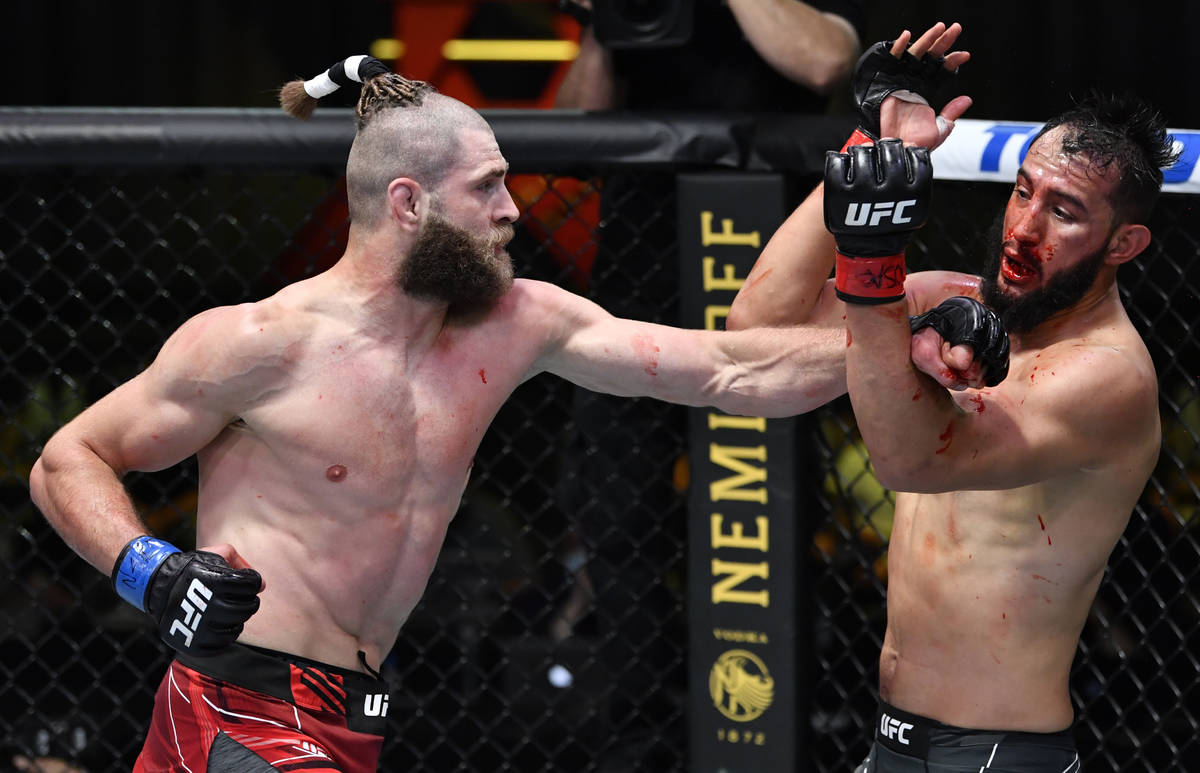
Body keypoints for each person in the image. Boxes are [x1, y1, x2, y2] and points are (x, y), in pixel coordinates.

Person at [26, 56, 988, 772]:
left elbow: (733, 371)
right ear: (408, 203)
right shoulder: (259, 342)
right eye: (486, 187)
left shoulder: (516, 322)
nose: (513, 209)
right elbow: (68, 457)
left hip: (348, 714)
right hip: (238, 705)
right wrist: (148, 569)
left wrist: (893, 334)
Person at [729, 22, 1177, 772]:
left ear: (1124, 245)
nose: (1024, 227)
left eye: (1063, 213)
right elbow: (757, 329)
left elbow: (908, 457)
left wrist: (874, 273)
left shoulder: (1109, 377)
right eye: (1023, 192)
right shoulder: (955, 302)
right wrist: (868, 150)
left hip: (1001, 752)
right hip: (894, 739)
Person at [552, 2, 867, 759]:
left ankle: (783, 715)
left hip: (768, 273)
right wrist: (603, 23)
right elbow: (575, 122)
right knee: (615, 509)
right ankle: (646, 730)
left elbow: (827, 61)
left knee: (766, 499)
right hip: (642, 267)